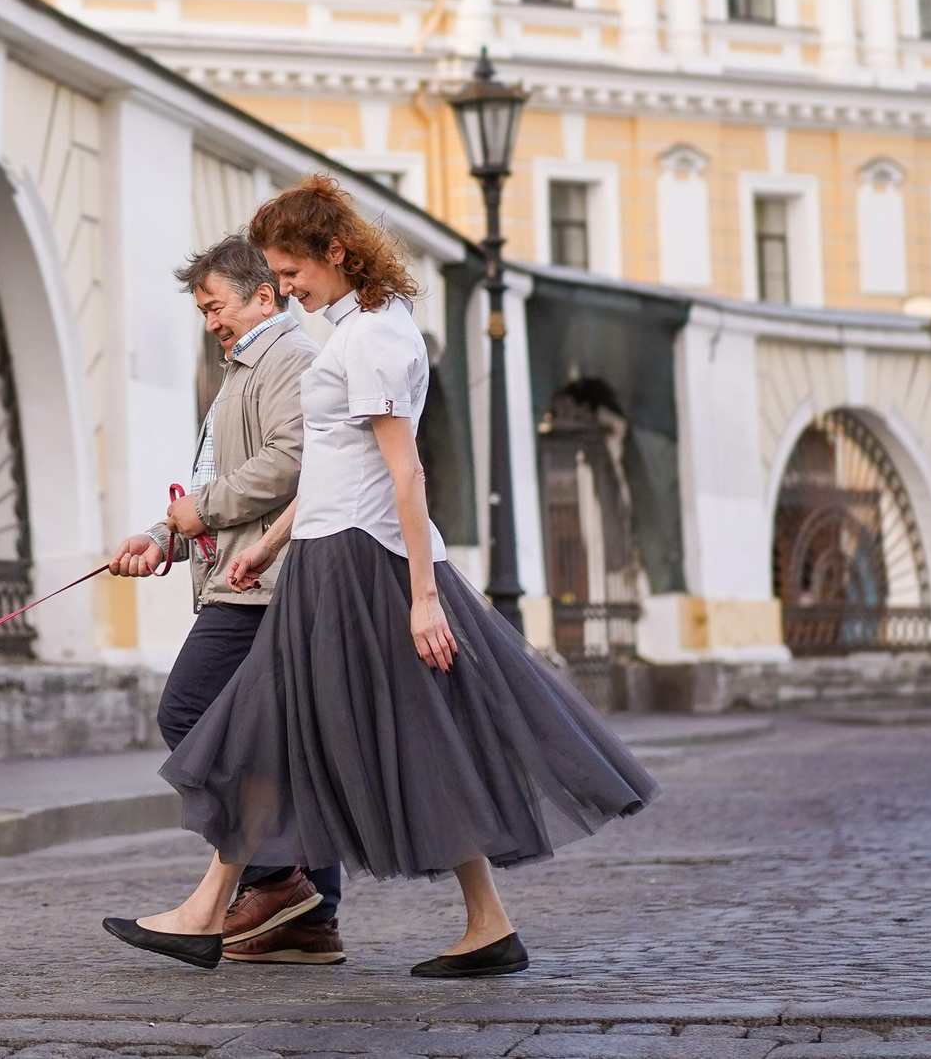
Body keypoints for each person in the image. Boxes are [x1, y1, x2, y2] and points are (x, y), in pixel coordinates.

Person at [104, 176, 658, 978]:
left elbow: (406, 473)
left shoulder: (375, 339)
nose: (285, 289)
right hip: (326, 555)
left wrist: (423, 599)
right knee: (335, 730)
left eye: (291, 272)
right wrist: (271, 543)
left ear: (336, 252)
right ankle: (480, 924)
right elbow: (337, 462)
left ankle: (214, 912)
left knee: (290, 728)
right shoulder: (357, 330)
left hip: (359, 567)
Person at [106, 235, 339, 964]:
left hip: (264, 586)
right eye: (203, 311)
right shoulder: (245, 369)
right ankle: (308, 920)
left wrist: (199, 513)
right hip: (242, 576)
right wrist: (161, 538)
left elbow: (294, 462)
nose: (211, 322)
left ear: (263, 297)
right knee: (287, 744)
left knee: (190, 712)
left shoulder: (289, 358)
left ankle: (276, 878)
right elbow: (218, 487)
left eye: (217, 306)